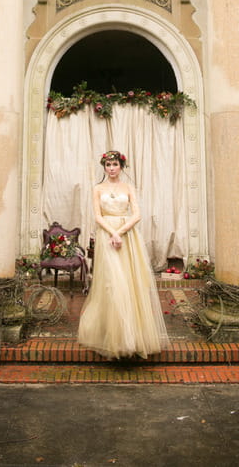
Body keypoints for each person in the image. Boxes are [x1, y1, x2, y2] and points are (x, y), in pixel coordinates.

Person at [77, 150, 169, 359]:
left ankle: (131, 336)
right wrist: (112, 233)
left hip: (126, 236)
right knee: (111, 282)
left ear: (121, 166)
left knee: (128, 281)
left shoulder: (128, 188)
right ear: (104, 167)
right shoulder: (97, 189)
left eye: (115, 164)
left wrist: (120, 232)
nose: (111, 168)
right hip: (106, 237)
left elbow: (137, 214)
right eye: (108, 165)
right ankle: (112, 334)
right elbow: (98, 216)